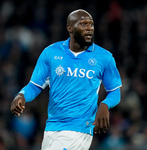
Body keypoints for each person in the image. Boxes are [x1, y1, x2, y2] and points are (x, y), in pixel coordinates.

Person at [10, 9, 122, 150]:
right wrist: (21, 95)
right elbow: (35, 85)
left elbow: (114, 91)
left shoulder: (104, 57)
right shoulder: (51, 52)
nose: (89, 28)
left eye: (91, 25)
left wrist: (105, 105)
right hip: (52, 127)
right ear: (70, 27)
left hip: (79, 129)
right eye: (83, 24)